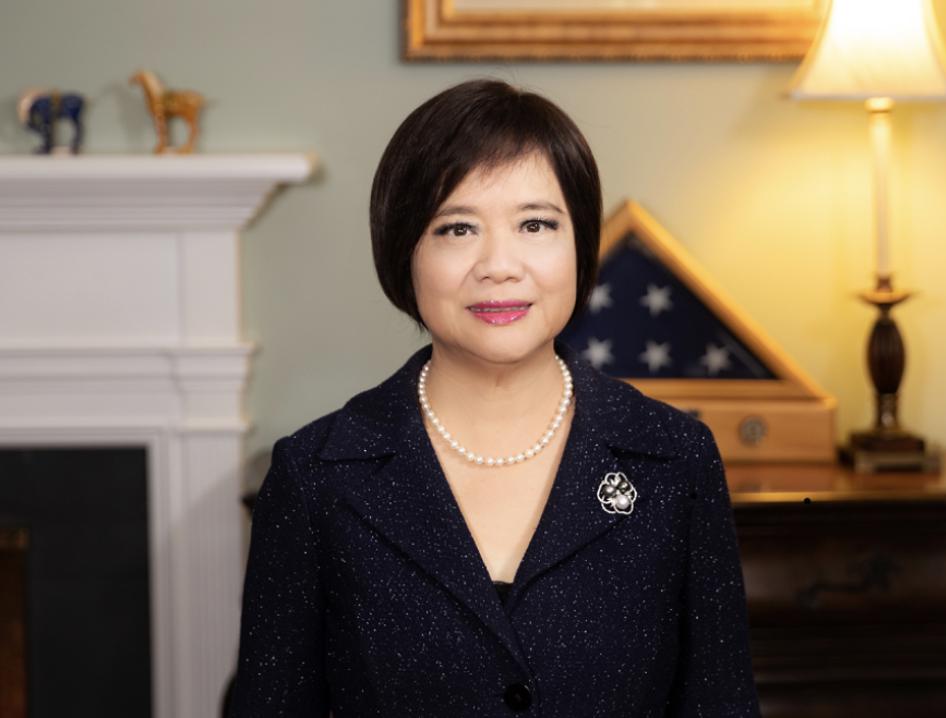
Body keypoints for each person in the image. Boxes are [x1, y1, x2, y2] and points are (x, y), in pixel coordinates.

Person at [229, 79, 760, 717]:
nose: (499, 264)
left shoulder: (674, 459)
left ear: (580, 245)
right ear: (405, 253)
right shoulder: (315, 476)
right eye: (457, 229)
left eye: (535, 224)